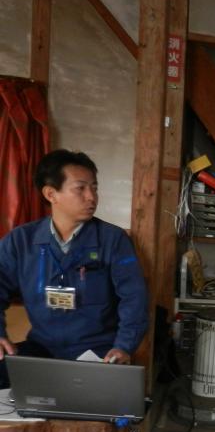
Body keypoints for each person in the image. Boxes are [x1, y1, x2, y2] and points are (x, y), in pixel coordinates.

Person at [0, 150, 149, 389]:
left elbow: (134, 299)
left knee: (100, 403)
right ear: (51, 194)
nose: (92, 197)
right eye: (80, 188)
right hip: (43, 349)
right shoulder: (21, 241)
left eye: (94, 187)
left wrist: (123, 346)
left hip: (98, 353)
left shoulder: (112, 240)